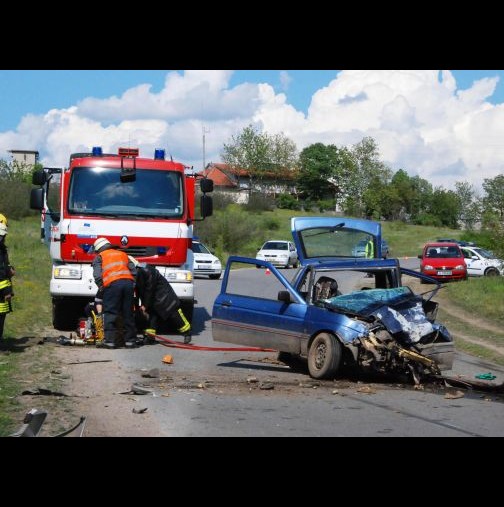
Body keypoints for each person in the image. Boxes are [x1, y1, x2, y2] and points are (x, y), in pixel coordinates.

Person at [130, 257, 192, 344]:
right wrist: (137, 305)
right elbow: (138, 291)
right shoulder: (136, 274)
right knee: (150, 317)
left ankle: (187, 332)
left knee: (174, 315)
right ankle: (150, 337)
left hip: (164, 296)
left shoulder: (148, 271)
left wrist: (145, 305)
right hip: (151, 299)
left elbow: (149, 289)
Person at [91, 237, 137, 348]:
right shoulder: (122, 254)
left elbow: (97, 275)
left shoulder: (100, 257)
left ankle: (110, 341)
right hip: (128, 284)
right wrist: (132, 284)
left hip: (112, 285)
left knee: (110, 312)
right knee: (127, 312)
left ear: (98, 249)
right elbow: (134, 271)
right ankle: (130, 341)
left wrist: (102, 287)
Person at [0, 222, 15, 341]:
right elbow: (1, 272)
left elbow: (5, 267)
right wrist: (7, 291)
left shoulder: (2, 249)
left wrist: (9, 269)